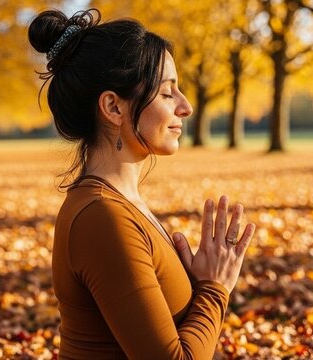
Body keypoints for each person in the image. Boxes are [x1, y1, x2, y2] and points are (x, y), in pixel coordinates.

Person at [28, 8, 255, 359]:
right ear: (113, 107)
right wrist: (214, 289)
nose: (186, 107)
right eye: (167, 93)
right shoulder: (101, 217)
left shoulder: (121, 203)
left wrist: (195, 287)